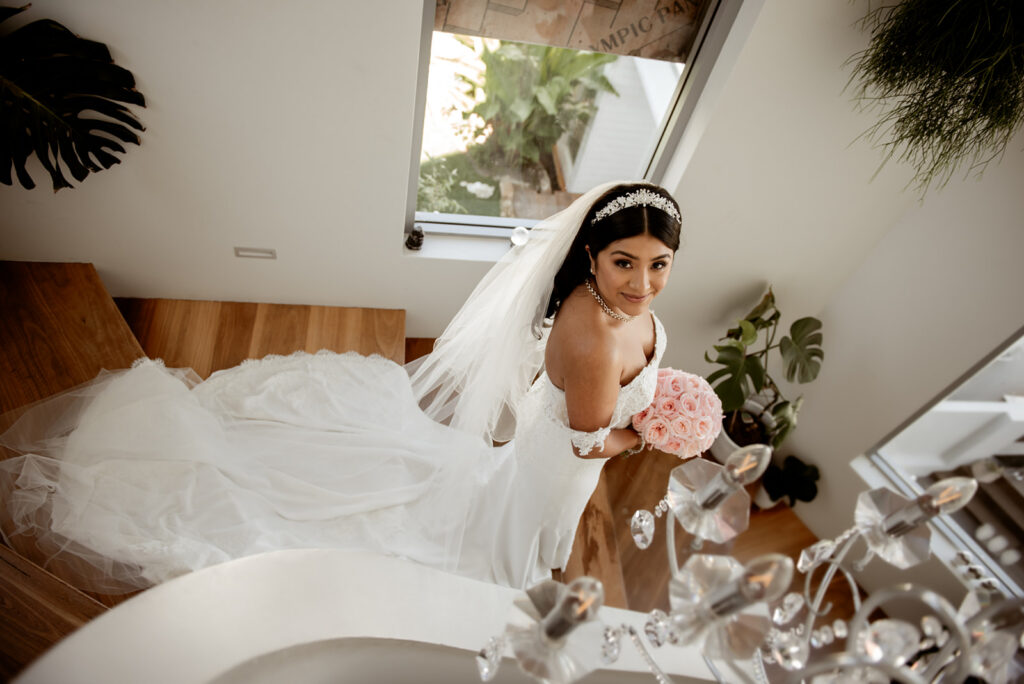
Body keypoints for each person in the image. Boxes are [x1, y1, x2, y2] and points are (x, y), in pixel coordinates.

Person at [0, 181, 682, 592]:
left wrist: (654, 396)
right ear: (591, 254)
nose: (642, 284)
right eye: (625, 262)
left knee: (502, 508)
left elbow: (619, 380)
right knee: (502, 532)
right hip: (556, 464)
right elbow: (587, 445)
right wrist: (649, 432)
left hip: (540, 458)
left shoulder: (618, 310)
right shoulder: (593, 336)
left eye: (659, 265)